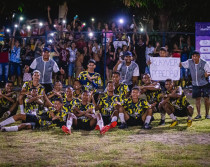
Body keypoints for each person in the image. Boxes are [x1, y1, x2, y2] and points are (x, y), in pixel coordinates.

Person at [0, 98, 67, 132]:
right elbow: (43, 112)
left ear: (62, 104)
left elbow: (56, 120)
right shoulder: (52, 109)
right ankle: (1, 124)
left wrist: (53, 116)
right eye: (55, 104)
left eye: (58, 104)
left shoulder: (64, 113)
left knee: (24, 126)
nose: (56, 105)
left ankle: (4, 129)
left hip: (41, 125)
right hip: (37, 118)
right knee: (20, 115)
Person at [180, 51, 210, 119]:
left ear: (199, 57)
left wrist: (207, 74)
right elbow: (181, 64)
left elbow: (209, 71)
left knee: (206, 98)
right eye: (193, 56)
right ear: (192, 57)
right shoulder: (189, 62)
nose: (194, 57)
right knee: (197, 99)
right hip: (195, 83)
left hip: (204, 83)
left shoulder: (204, 63)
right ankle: (199, 114)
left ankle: (207, 114)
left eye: (196, 56)